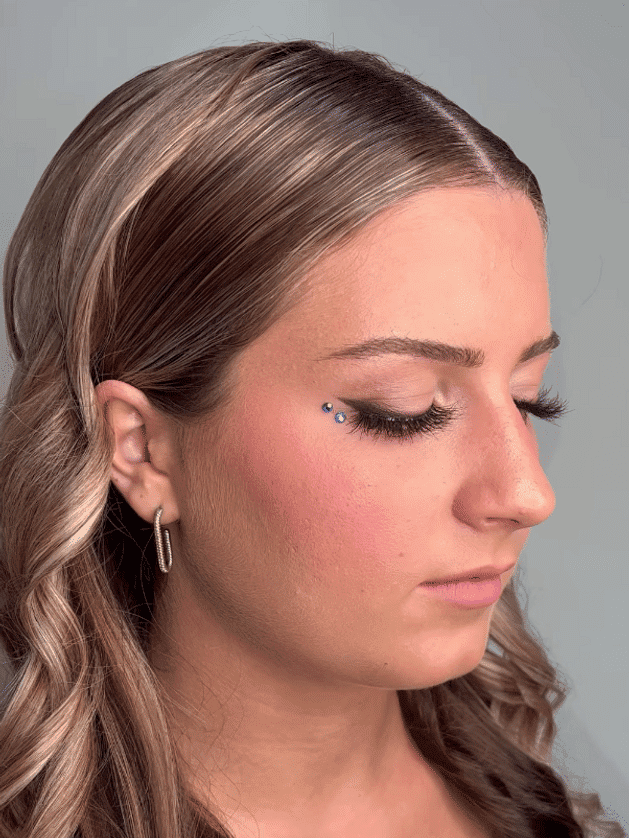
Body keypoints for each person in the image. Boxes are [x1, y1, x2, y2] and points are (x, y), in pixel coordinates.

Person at [0, 39, 623, 838]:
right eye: (402, 410)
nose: (527, 494)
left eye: (527, 400)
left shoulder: (540, 811)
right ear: (142, 451)